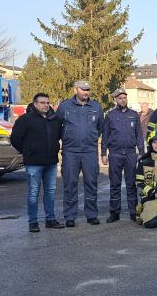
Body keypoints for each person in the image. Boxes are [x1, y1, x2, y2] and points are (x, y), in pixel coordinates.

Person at [10, 93, 64, 233]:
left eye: (47, 102)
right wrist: (27, 151)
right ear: (35, 104)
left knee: (50, 192)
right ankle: (33, 222)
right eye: (42, 102)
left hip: (51, 162)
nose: (46, 105)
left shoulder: (54, 119)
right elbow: (15, 139)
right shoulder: (25, 119)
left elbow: (59, 136)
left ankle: (50, 219)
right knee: (33, 193)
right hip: (33, 163)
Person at [57, 80, 104, 226]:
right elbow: (57, 126)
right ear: (75, 90)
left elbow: (100, 127)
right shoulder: (65, 106)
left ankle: (91, 215)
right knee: (70, 184)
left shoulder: (96, 107)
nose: (86, 92)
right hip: (70, 151)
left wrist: (92, 138)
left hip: (89, 151)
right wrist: (66, 140)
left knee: (91, 183)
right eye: (83, 89)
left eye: (88, 90)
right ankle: (70, 217)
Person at [102, 88, 145, 223]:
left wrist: (142, 152)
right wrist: (103, 153)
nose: (122, 100)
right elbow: (105, 135)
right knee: (115, 184)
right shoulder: (110, 115)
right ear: (116, 100)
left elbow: (139, 135)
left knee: (131, 184)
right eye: (120, 98)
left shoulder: (134, 115)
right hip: (115, 154)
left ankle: (133, 212)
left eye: (124, 98)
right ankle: (114, 213)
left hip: (131, 154)